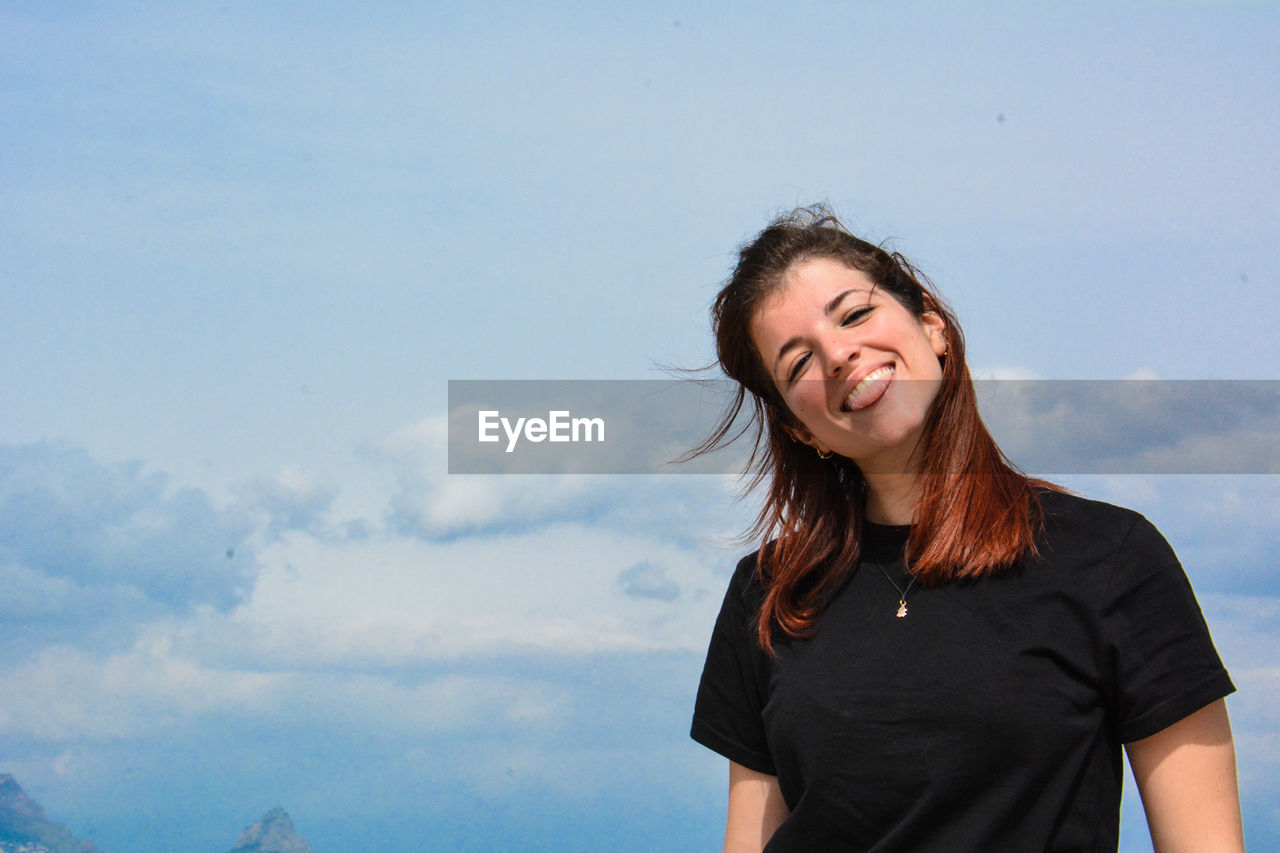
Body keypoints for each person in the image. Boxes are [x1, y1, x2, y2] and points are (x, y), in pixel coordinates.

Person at [688, 205, 1244, 852]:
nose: (839, 354)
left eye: (855, 314)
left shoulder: (1112, 560)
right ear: (800, 429)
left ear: (931, 323)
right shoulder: (768, 593)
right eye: (798, 362)